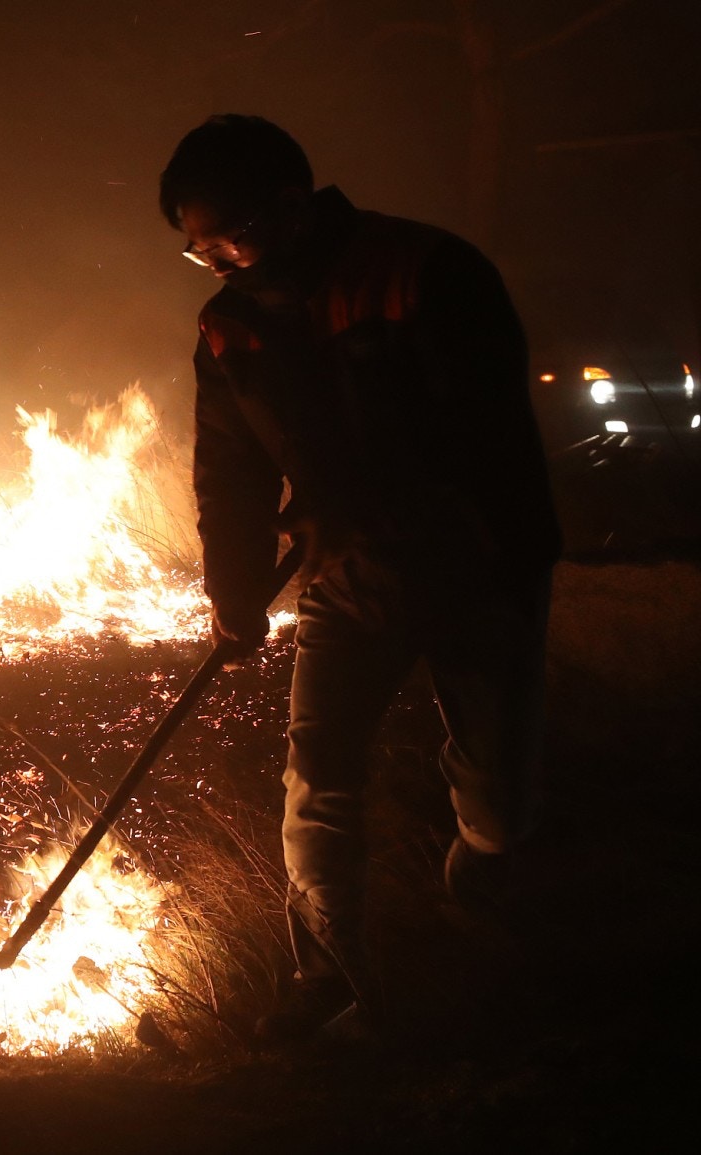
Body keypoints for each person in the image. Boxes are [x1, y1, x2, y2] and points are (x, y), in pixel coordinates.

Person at [159, 115, 561, 1042]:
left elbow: (484, 424)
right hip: (349, 577)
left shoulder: (424, 271)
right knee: (319, 775)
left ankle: (483, 892)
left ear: (294, 206)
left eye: (232, 236)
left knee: (499, 790)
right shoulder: (228, 329)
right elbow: (231, 471)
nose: (218, 259)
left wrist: (389, 497)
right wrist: (234, 594)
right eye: (198, 248)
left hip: (479, 562)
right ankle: (332, 977)